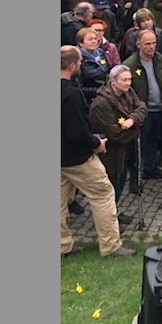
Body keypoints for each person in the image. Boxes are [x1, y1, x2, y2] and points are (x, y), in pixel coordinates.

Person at [60, 46, 134, 258]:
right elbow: (77, 132)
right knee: (103, 194)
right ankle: (111, 245)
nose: (82, 66)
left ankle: (62, 245)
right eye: (81, 63)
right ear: (72, 65)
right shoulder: (71, 94)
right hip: (77, 158)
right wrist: (96, 144)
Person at [89, 64, 147, 225]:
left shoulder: (128, 93)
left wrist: (133, 119)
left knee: (121, 182)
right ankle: (107, 221)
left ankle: (113, 213)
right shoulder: (101, 104)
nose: (128, 83)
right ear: (113, 81)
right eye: (124, 80)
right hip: (110, 152)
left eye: (129, 79)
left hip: (126, 149)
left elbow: (142, 107)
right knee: (110, 186)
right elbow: (113, 133)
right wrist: (135, 130)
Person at [123, 29, 162, 183]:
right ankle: (135, 177)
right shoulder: (130, 64)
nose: (152, 47)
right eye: (148, 44)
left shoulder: (159, 59)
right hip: (143, 111)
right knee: (139, 145)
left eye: (154, 43)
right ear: (138, 45)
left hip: (160, 108)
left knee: (154, 140)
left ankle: (150, 168)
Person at [76, 27, 110, 106]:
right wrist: (99, 90)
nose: (94, 41)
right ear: (81, 43)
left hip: (105, 96)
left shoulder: (101, 52)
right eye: (90, 39)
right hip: (89, 100)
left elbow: (106, 70)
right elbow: (80, 87)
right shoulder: (79, 58)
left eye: (95, 39)